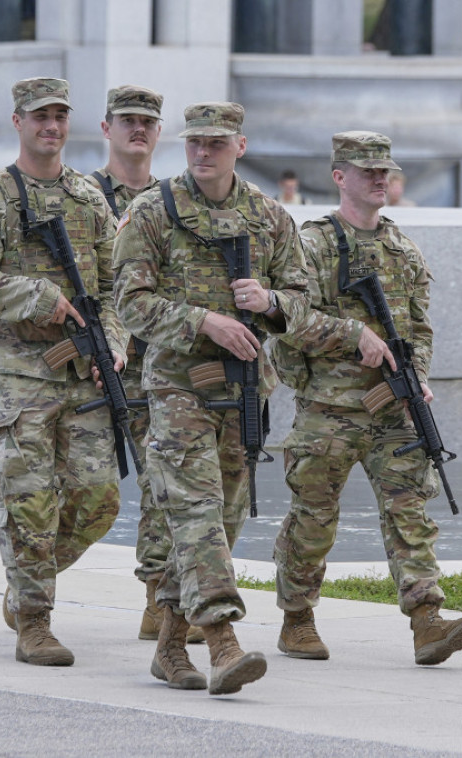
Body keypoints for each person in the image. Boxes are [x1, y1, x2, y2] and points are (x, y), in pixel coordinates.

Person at [113, 102, 310, 694]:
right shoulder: (153, 211)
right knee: (197, 514)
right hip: (176, 392)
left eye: (216, 143)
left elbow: (301, 301)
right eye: (195, 142)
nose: (203, 152)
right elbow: (129, 304)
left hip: (244, 394)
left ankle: (171, 646)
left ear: (239, 147)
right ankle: (223, 642)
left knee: (216, 525)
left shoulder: (270, 217)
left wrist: (270, 302)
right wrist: (204, 321)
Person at [268, 131, 462, 666]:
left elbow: (419, 330)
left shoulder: (402, 250)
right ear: (340, 177)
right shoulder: (311, 244)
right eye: (368, 172)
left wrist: (418, 380)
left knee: (410, 509)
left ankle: (427, 620)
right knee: (314, 518)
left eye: (385, 171)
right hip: (330, 409)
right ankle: (297, 618)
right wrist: (351, 336)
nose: (380, 179)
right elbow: (287, 321)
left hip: (391, 407)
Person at [0, 77, 127, 667]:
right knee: (30, 499)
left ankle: (24, 584)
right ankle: (34, 620)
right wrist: (36, 297)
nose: (50, 126)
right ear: (18, 122)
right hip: (18, 373)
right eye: (39, 116)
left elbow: (115, 287)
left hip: (81, 372)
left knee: (99, 500)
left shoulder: (88, 199)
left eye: (59, 116)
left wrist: (115, 346)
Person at [83, 85, 204, 645]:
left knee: (165, 481)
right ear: (106, 128)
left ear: (159, 135)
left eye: (148, 123)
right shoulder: (81, 195)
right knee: (81, 489)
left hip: (158, 363)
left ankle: (160, 600)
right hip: (89, 364)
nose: (139, 130)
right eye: (127, 120)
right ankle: (29, 583)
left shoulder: (174, 201)